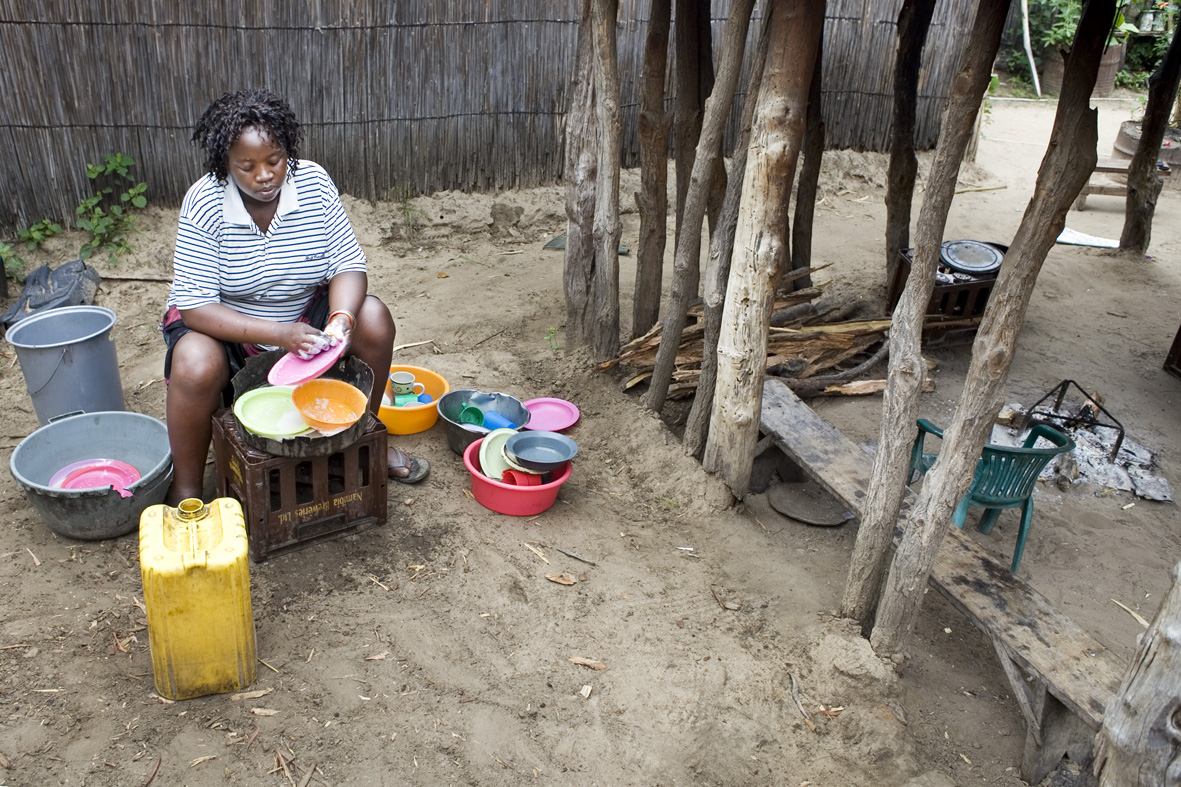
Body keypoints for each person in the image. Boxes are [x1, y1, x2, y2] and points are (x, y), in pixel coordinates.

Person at [161, 89, 428, 505]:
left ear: (289, 151)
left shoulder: (314, 183)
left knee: (372, 318)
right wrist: (280, 333)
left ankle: (362, 447)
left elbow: (348, 265)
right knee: (194, 365)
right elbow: (195, 306)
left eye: (274, 160)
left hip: (306, 318)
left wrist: (340, 320)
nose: (264, 175)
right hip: (228, 326)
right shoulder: (205, 201)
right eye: (246, 167)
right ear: (225, 164)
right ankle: (189, 486)